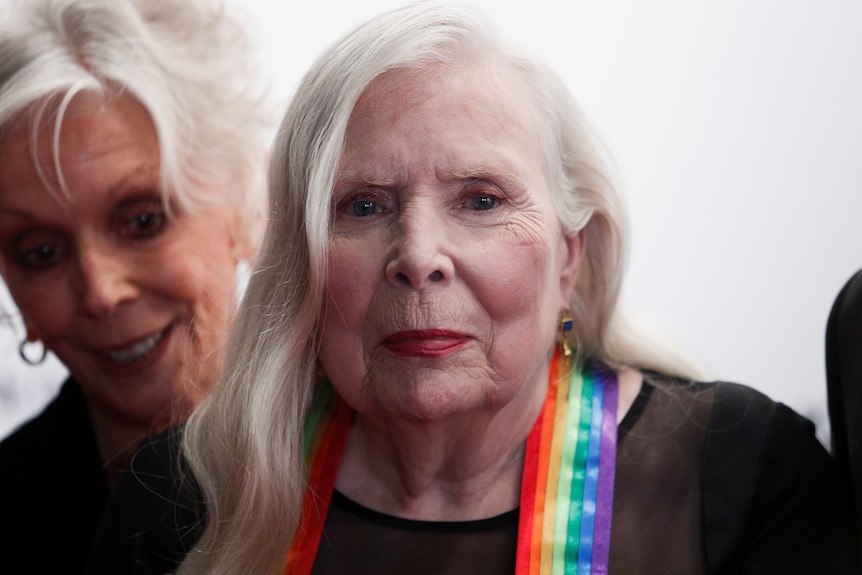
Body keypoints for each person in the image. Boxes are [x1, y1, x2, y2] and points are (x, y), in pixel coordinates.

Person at [88, 3, 853, 574]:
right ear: (303, 264)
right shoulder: (183, 500)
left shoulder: (744, 475)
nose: (418, 256)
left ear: (567, 256)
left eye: (482, 200)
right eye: (363, 205)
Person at [0, 0, 271, 572]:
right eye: (42, 253)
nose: (101, 290)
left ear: (241, 207)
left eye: (144, 220)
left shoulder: (391, 468)